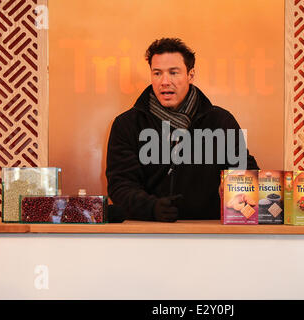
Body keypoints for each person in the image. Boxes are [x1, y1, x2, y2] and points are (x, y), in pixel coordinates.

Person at [106, 38, 259, 222]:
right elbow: (120, 184)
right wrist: (152, 208)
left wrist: (243, 194)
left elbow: (245, 173)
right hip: (145, 230)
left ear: (190, 75)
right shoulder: (127, 124)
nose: (164, 81)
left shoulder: (220, 121)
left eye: (173, 72)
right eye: (157, 73)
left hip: (209, 232)